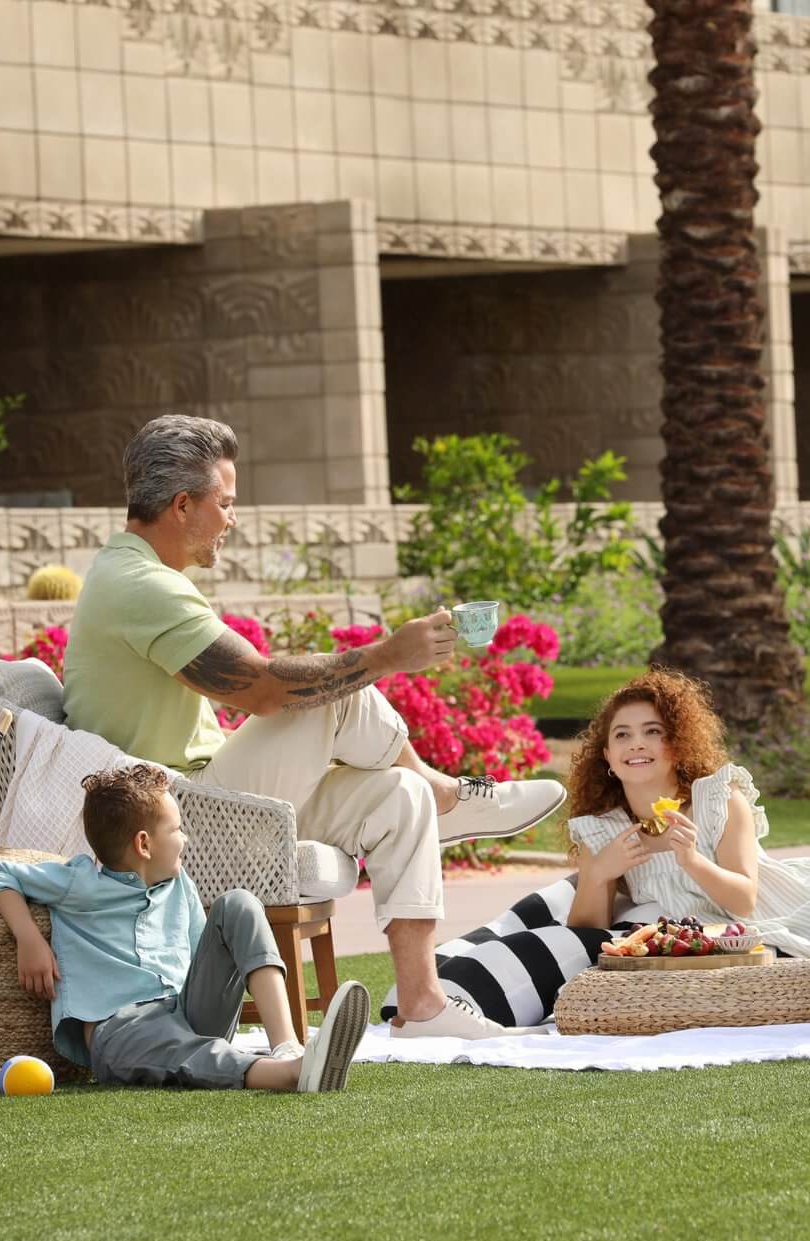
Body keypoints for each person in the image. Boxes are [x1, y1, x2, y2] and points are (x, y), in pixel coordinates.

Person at [61, 414, 565, 1039]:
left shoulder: (140, 576)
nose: (232, 520)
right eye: (226, 503)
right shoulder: (139, 585)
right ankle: (447, 797)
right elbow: (264, 690)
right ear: (182, 504)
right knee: (331, 699)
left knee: (398, 794)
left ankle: (422, 1005)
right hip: (176, 820)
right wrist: (388, 656)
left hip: (207, 801)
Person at [0, 764, 370, 1092]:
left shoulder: (180, 885)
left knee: (239, 903)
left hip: (187, 1011)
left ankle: (287, 1047)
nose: (185, 837)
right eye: (177, 828)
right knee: (186, 1053)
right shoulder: (78, 881)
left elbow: (205, 955)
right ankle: (290, 1075)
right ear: (144, 844)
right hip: (121, 1030)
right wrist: (29, 939)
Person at [565, 670, 810, 1008]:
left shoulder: (719, 799)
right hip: (726, 947)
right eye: (622, 735)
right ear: (608, 756)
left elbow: (744, 900)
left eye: (653, 731)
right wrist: (598, 873)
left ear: (677, 745)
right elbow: (587, 932)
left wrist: (692, 861)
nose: (636, 743)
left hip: (803, 908)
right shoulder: (603, 829)